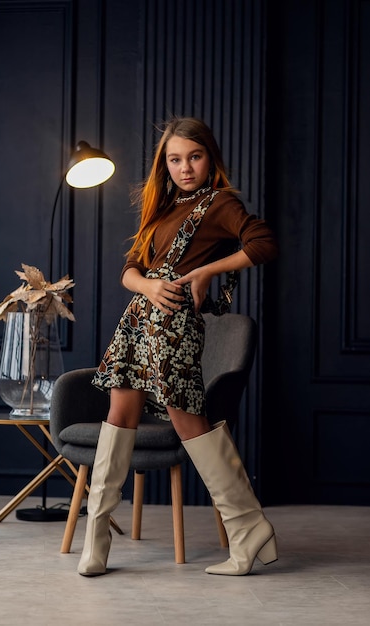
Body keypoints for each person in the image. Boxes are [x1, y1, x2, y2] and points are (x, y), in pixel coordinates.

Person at [78, 117, 278, 577]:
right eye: (174, 159)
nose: (185, 167)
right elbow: (129, 271)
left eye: (194, 156)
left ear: (210, 158)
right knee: (118, 416)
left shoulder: (220, 203)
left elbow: (263, 243)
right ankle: (98, 539)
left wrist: (208, 271)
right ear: (163, 165)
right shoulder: (162, 208)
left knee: (190, 424)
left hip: (175, 329)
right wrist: (147, 286)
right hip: (136, 324)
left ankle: (248, 529)